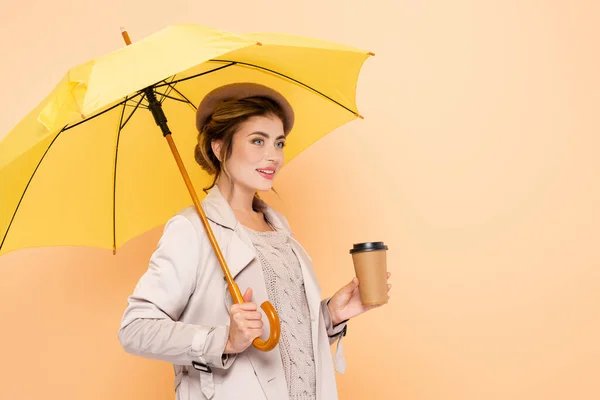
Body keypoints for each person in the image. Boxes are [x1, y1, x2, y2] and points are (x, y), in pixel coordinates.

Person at [117, 82, 391, 400]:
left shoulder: (278, 227)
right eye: (257, 141)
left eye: (278, 143)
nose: (272, 156)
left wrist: (331, 314)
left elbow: (284, 341)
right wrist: (223, 341)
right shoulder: (192, 230)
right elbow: (135, 329)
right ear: (219, 148)